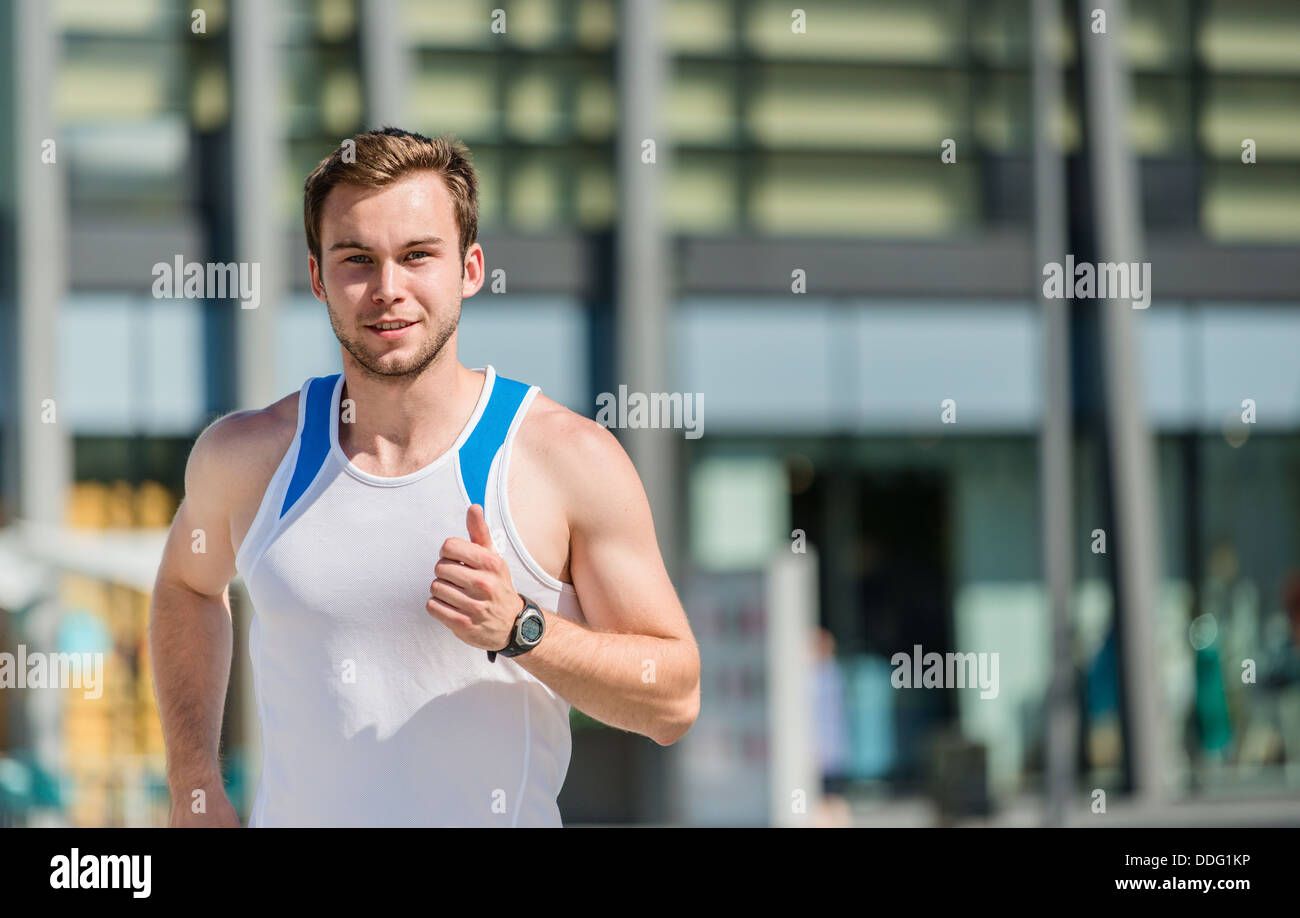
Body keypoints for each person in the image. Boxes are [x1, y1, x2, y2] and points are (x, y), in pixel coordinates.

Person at [148, 127, 701, 827]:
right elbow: (185, 586)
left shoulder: (564, 458)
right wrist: (193, 783)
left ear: (469, 269)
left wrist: (523, 628)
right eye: (357, 259)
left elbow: (674, 699)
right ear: (319, 278)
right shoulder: (248, 456)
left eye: (417, 256)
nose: (387, 289)